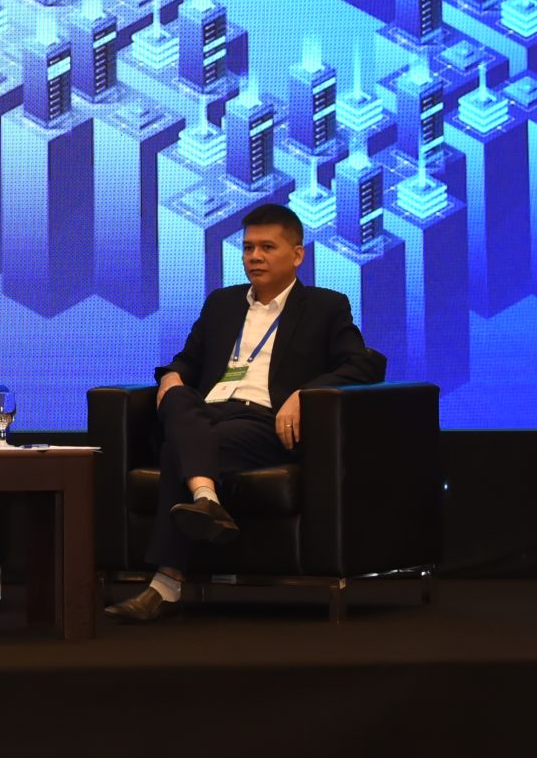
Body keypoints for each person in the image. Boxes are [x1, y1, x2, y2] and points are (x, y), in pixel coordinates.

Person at [104, 202, 384, 624]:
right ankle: (205, 500)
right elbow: (187, 361)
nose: (255, 257)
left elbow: (364, 365)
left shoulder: (325, 306)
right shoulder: (222, 303)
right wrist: (172, 376)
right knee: (178, 398)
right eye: (248, 247)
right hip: (205, 412)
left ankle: (166, 582)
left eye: (267, 247)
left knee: (178, 447)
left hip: (263, 422)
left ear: (297, 254)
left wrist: (304, 394)